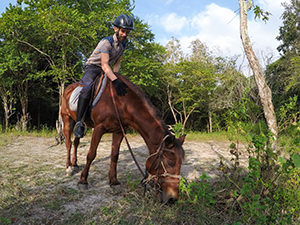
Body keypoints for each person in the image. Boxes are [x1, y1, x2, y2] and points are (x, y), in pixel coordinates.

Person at [73, 14, 134, 138]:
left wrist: (117, 77)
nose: (125, 34)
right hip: (93, 68)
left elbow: (117, 63)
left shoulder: (123, 45)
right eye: (123, 31)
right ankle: (79, 123)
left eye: (127, 32)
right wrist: (115, 80)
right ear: (115, 29)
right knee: (88, 88)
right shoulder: (106, 42)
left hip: (105, 70)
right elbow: (105, 65)